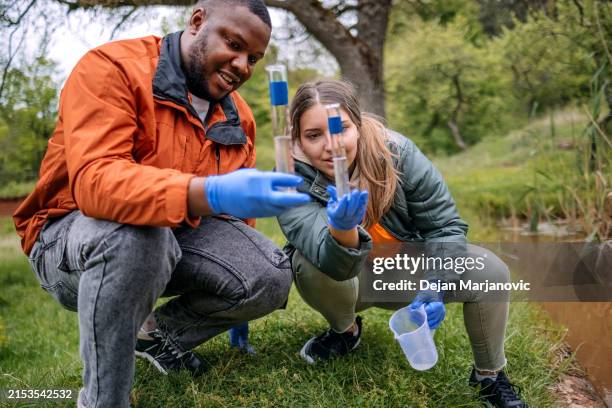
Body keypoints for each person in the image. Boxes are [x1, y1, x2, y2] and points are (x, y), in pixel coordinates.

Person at [12, 1, 311, 407]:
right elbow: (95, 183)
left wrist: (246, 299)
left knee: (271, 274)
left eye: (253, 58)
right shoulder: (112, 68)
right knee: (140, 237)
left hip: (171, 239)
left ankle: (151, 335)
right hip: (71, 236)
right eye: (234, 44)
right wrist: (209, 193)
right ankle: (103, 399)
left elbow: (234, 223)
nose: (242, 65)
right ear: (197, 20)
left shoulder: (238, 115)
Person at [277, 79, 530, 408]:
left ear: (359, 124)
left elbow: (445, 225)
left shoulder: (395, 151)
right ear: (297, 138)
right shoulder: (289, 178)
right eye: (314, 135)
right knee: (307, 263)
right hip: (347, 278)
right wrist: (341, 229)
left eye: (341, 128)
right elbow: (327, 258)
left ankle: (489, 376)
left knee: (490, 271)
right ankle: (346, 331)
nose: (331, 146)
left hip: (404, 267)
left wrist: (437, 284)